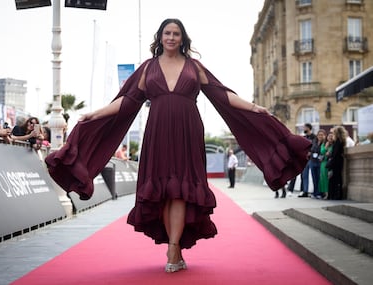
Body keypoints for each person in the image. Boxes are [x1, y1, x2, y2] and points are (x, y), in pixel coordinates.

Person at [45, 18, 311, 273]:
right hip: (158, 134)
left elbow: (222, 94)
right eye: (167, 33)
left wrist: (253, 107)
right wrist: (97, 113)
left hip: (188, 134)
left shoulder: (194, 67)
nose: (171, 37)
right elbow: (127, 102)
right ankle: (176, 249)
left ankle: (173, 249)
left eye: (176, 34)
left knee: (181, 191)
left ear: (182, 38)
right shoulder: (148, 68)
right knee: (164, 192)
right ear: (160, 37)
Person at [326, 126, 346, 200]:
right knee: (336, 179)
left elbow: (335, 154)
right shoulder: (339, 141)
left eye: (333, 133)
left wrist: (330, 163)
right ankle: (335, 195)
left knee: (335, 179)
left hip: (336, 163)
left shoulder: (338, 142)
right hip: (337, 162)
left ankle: (335, 195)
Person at [298, 123, 317, 197]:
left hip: (312, 158)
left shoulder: (314, 137)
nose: (304, 129)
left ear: (309, 128)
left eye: (305, 127)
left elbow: (315, 146)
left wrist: (310, 152)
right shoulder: (304, 137)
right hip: (304, 159)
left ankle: (314, 191)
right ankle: (305, 191)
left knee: (313, 176)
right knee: (304, 176)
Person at [309, 129, 326, 199]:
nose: (320, 136)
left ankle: (319, 193)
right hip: (313, 161)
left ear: (324, 136)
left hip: (320, 162)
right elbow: (311, 150)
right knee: (314, 178)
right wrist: (310, 153)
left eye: (322, 135)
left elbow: (324, 152)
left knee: (319, 178)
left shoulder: (325, 143)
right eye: (319, 135)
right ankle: (315, 192)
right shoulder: (314, 141)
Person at [319, 132, 333, 199]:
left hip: (330, 163)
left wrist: (328, 152)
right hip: (323, 163)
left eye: (332, 136)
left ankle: (329, 193)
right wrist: (326, 147)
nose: (330, 137)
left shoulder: (333, 145)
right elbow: (322, 152)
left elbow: (330, 153)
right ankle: (325, 193)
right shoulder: (324, 144)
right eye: (329, 136)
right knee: (323, 179)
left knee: (328, 179)